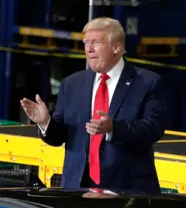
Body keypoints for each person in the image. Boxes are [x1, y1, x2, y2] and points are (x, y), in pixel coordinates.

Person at [20, 17, 166, 193]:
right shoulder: (72, 84)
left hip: (126, 189)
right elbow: (59, 137)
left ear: (116, 47)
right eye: (86, 43)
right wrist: (45, 123)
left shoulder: (147, 82)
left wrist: (113, 128)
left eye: (96, 42)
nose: (89, 49)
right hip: (78, 187)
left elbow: (153, 129)